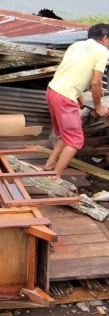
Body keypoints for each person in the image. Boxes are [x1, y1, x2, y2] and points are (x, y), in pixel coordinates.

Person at [44, 23, 109, 191]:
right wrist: (98, 106)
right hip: (65, 96)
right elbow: (96, 82)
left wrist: (79, 95)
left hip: (53, 91)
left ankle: (50, 164)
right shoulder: (102, 51)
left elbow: (69, 71)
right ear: (104, 37)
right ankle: (56, 176)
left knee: (66, 135)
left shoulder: (76, 45)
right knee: (75, 140)